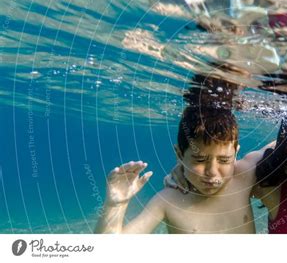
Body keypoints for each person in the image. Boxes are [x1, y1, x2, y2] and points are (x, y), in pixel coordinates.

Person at [94, 75, 271, 233]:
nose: (212, 172)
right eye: (200, 159)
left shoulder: (244, 175)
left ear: (236, 153)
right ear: (179, 154)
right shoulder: (167, 201)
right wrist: (115, 205)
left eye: (224, 160)